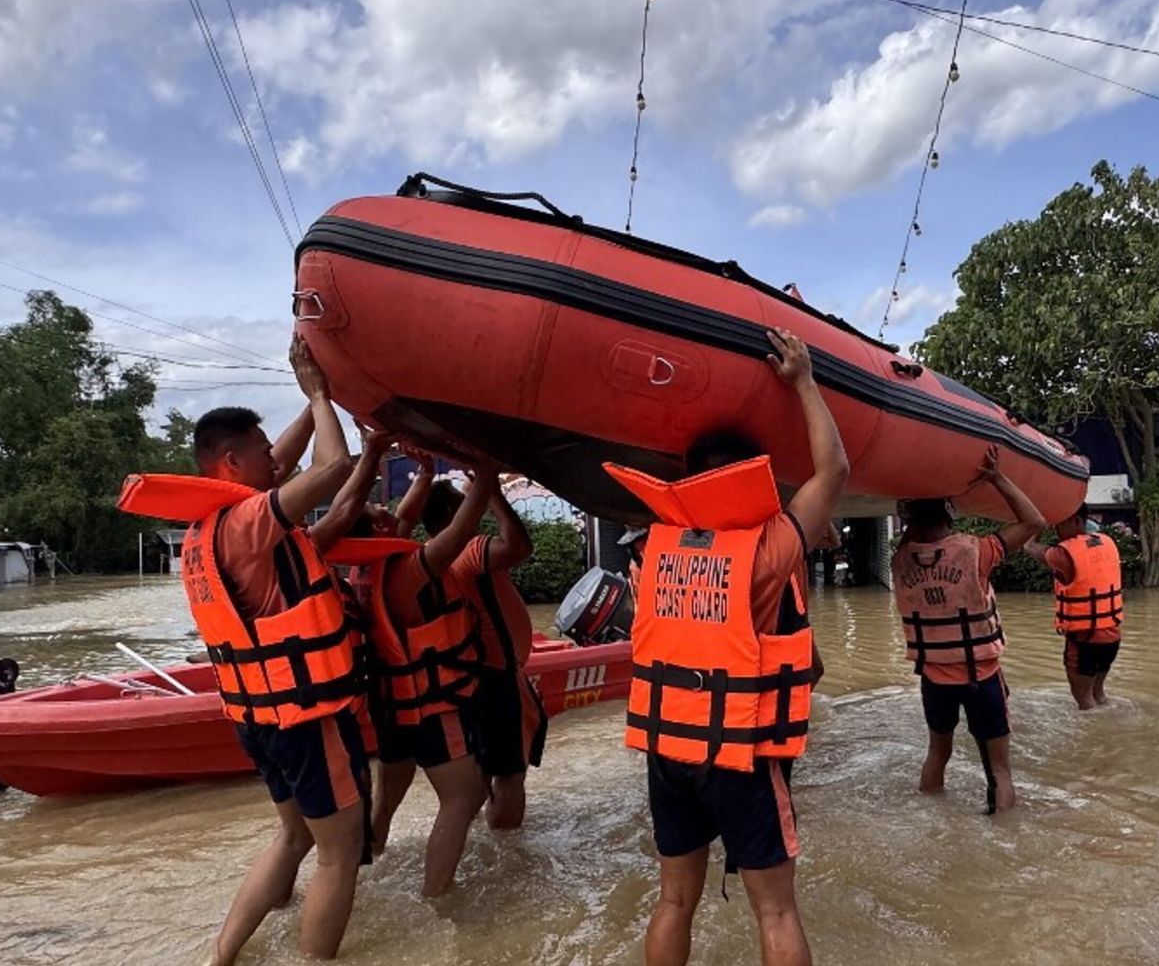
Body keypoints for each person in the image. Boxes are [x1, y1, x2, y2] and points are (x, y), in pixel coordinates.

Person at [603, 326, 846, 966]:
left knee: (673, 900)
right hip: (739, 752)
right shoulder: (767, 551)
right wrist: (805, 381)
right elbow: (835, 471)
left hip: (667, 750)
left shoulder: (653, 551)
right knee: (777, 910)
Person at [184, 337, 366, 965]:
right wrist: (319, 396)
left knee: (293, 838)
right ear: (232, 463)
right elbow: (332, 468)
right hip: (304, 716)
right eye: (264, 454)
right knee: (339, 853)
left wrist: (315, 396)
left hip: (256, 717)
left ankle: (220, 956)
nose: (277, 460)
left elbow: (281, 463)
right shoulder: (251, 522)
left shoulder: (206, 528)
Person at [891, 447, 1045, 815]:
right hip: (982, 675)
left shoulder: (899, 561)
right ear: (948, 512)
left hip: (934, 678)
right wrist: (997, 478)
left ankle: (931, 818)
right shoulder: (976, 552)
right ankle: (1004, 830)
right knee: (1000, 769)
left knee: (937, 753)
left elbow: (912, 535)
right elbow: (1034, 521)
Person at [394, 460, 544, 831]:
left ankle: (477, 841)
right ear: (452, 513)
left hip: (467, 678)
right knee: (509, 775)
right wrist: (492, 493)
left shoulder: (426, 559)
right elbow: (520, 547)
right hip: (499, 677)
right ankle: (507, 851)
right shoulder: (473, 550)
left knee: (482, 774)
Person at [1023, 505, 1125, 710]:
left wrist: (1040, 520)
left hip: (1084, 640)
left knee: (1085, 703)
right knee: (1099, 695)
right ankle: (1111, 723)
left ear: (1077, 521)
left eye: (1059, 523)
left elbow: (1029, 546)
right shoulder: (1107, 542)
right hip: (1111, 638)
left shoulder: (1062, 554)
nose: (1055, 529)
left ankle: (1096, 732)